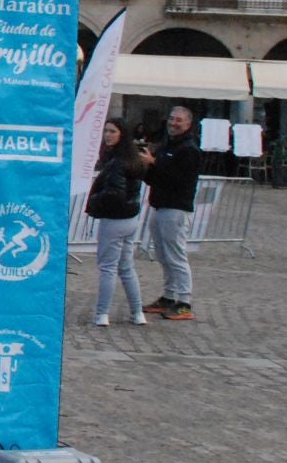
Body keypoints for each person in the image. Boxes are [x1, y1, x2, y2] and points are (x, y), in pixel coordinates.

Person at [85, 118, 150, 326]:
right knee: (126, 267)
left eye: (112, 131)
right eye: (106, 131)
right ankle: (137, 312)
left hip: (115, 218)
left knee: (108, 267)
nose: (107, 135)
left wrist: (94, 200)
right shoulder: (132, 159)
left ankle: (102, 313)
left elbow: (114, 193)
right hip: (130, 217)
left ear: (122, 134)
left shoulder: (117, 162)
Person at [144, 104, 203, 320]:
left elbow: (180, 179)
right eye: (171, 118)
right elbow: (154, 178)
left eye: (179, 120)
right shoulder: (166, 145)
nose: (173, 123)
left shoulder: (189, 149)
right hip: (159, 205)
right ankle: (168, 296)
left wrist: (155, 163)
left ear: (188, 124)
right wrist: (146, 166)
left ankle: (185, 301)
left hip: (176, 208)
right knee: (163, 254)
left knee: (176, 255)